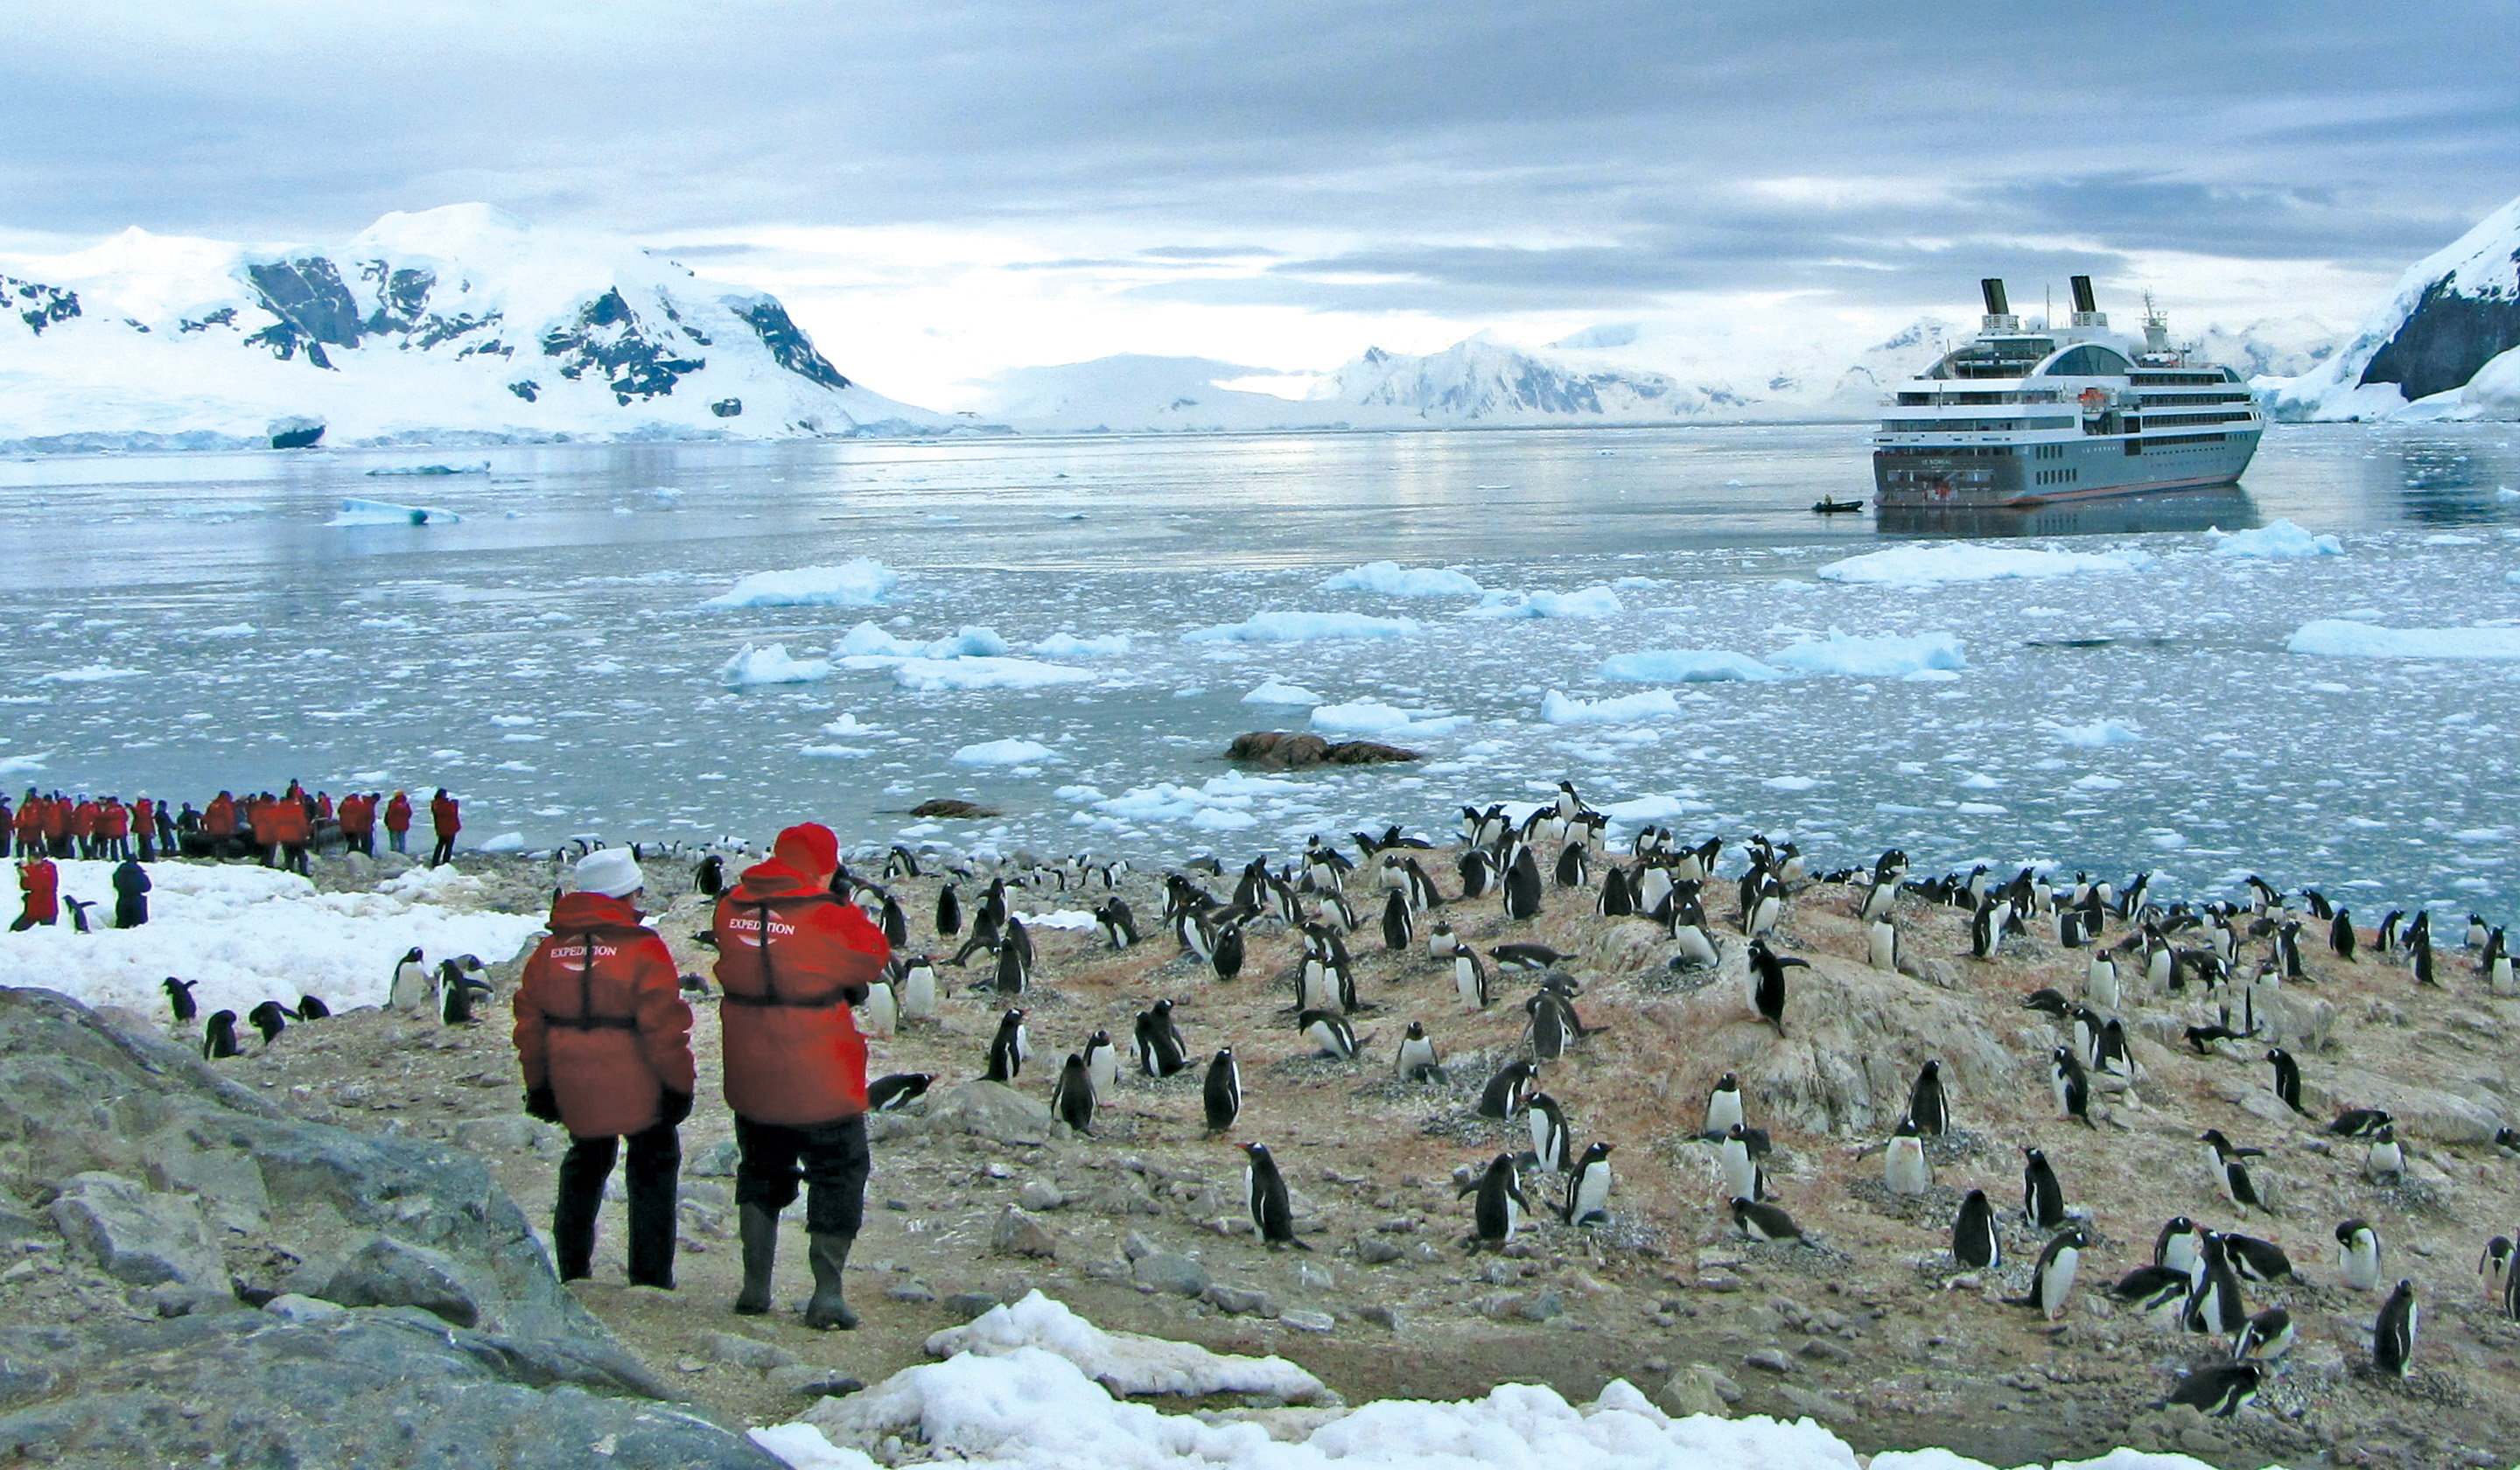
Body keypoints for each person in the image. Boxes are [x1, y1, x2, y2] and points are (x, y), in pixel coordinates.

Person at [711, 822, 888, 1328]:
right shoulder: (828, 913)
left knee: (762, 1167)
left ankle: (755, 1286)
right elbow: (873, 957)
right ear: (824, 864)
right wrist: (841, 902)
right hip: (818, 1071)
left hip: (751, 1068)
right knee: (839, 1171)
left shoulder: (730, 907)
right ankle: (827, 1294)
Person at [513, 849, 695, 1289]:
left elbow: (529, 1025)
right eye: (637, 891)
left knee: (586, 1161)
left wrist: (539, 1085)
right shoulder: (642, 947)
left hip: (575, 1081)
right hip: (638, 1083)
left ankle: (573, 1270)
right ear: (625, 895)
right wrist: (678, 1086)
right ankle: (650, 1277)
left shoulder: (551, 949)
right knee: (653, 1164)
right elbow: (664, 1026)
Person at [12, 855, 57, 932]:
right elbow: (26, 887)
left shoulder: (48, 868)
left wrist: (27, 870)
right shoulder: (34, 869)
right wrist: (24, 876)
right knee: (16, 930)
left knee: (47, 932)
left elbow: (41, 884)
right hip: (34, 906)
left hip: (46, 907)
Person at [111, 858, 150, 928]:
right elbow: (147, 887)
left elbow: (115, 885)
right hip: (137, 902)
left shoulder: (118, 873)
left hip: (122, 901)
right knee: (139, 927)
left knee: (122, 926)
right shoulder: (139, 873)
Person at [428, 788, 460, 866]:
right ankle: (445, 862)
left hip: (441, 828)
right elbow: (451, 813)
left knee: (440, 845)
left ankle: (435, 861)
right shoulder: (445, 805)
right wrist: (455, 805)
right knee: (448, 846)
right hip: (449, 828)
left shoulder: (435, 804)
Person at [384, 790, 412, 854]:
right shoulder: (406, 804)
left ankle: (394, 853)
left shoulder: (392, 803)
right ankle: (402, 853)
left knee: (394, 840)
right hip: (403, 825)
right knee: (402, 840)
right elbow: (409, 814)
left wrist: (387, 822)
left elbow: (389, 814)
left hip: (393, 825)